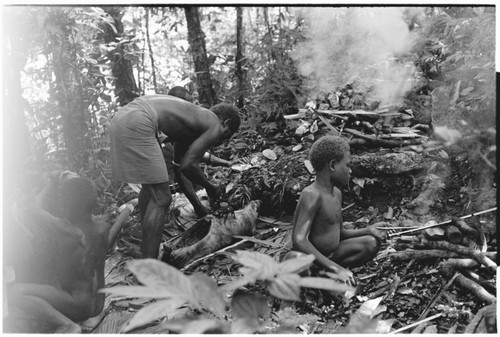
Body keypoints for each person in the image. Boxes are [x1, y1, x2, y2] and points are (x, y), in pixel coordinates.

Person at [109, 94, 241, 258]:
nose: (220, 141)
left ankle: (146, 253)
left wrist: (198, 206)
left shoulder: (187, 126)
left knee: (150, 192)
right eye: (225, 136)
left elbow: (180, 169)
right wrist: (210, 186)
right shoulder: (214, 122)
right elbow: (189, 166)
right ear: (225, 123)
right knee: (162, 198)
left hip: (120, 118)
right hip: (140, 119)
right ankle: (151, 268)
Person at [4, 172, 123, 333]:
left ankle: (67, 325)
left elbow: (32, 209)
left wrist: (46, 186)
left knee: (14, 292)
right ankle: (78, 317)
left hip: (78, 305)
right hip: (98, 304)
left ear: (67, 205)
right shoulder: (101, 229)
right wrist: (127, 211)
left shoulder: (68, 231)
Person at [291, 136, 386, 286]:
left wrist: (368, 230)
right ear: (333, 165)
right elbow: (299, 240)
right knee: (295, 259)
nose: (350, 171)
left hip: (329, 256)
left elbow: (340, 233)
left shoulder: (336, 194)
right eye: (347, 165)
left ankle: (325, 276)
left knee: (371, 243)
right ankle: (322, 279)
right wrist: (336, 268)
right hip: (308, 259)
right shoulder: (312, 195)